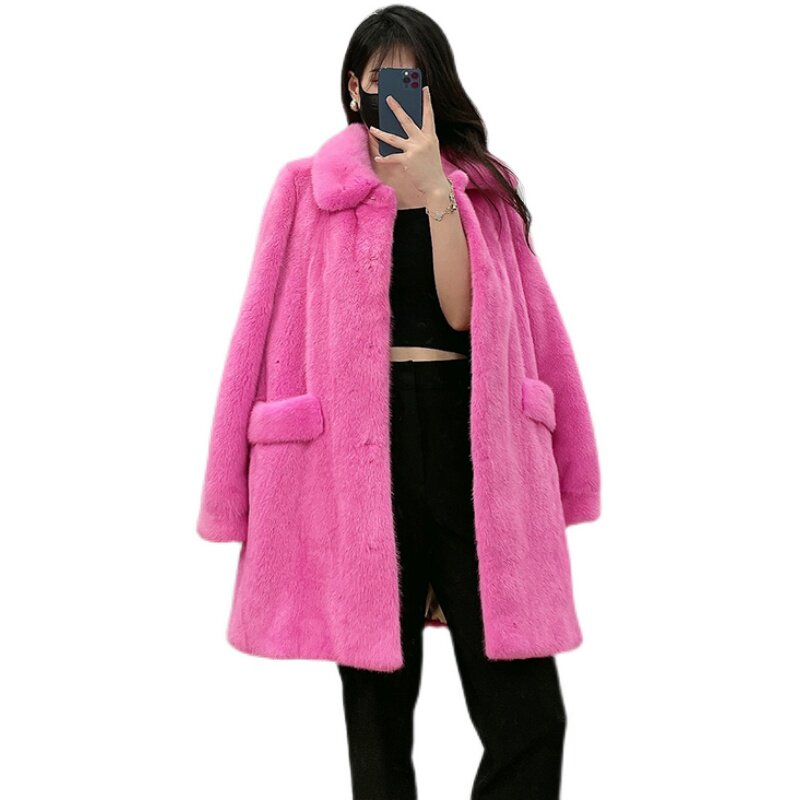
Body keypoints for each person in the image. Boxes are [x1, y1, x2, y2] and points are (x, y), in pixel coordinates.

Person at [197, 6, 601, 800]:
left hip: (470, 441)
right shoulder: (305, 188)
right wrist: (228, 488)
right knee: (379, 721)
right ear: (355, 87)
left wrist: (435, 191)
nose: (396, 93)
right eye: (382, 78)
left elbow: (476, 316)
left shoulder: (484, 188)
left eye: (413, 78)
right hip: (354, 454)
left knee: (530, 718)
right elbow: (254, 333)